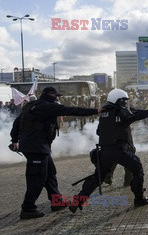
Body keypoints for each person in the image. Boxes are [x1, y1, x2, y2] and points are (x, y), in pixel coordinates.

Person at [69, 89, 148, 213]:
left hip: (104, 152)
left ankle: (77, 202)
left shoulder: (104, 113)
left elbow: (98, 132)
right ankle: (139, 199)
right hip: (120, 150)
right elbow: (143, 114)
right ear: (118, 100)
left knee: (97, 178)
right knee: (137, 170)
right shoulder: (122, 112)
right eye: (123, 101)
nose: (125, 104)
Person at [10, 87, 102, 219]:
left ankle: (56, 201)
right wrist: (96, 110)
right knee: (37, 178)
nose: (58, 98)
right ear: (50, 95)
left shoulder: (31, 105)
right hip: (36, 148)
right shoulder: (48, 107)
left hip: (36, 147)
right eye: (56, 96)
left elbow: (16, 123)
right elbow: (71, 110)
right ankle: (28, 208)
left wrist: (14, 139)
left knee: (50, 173)